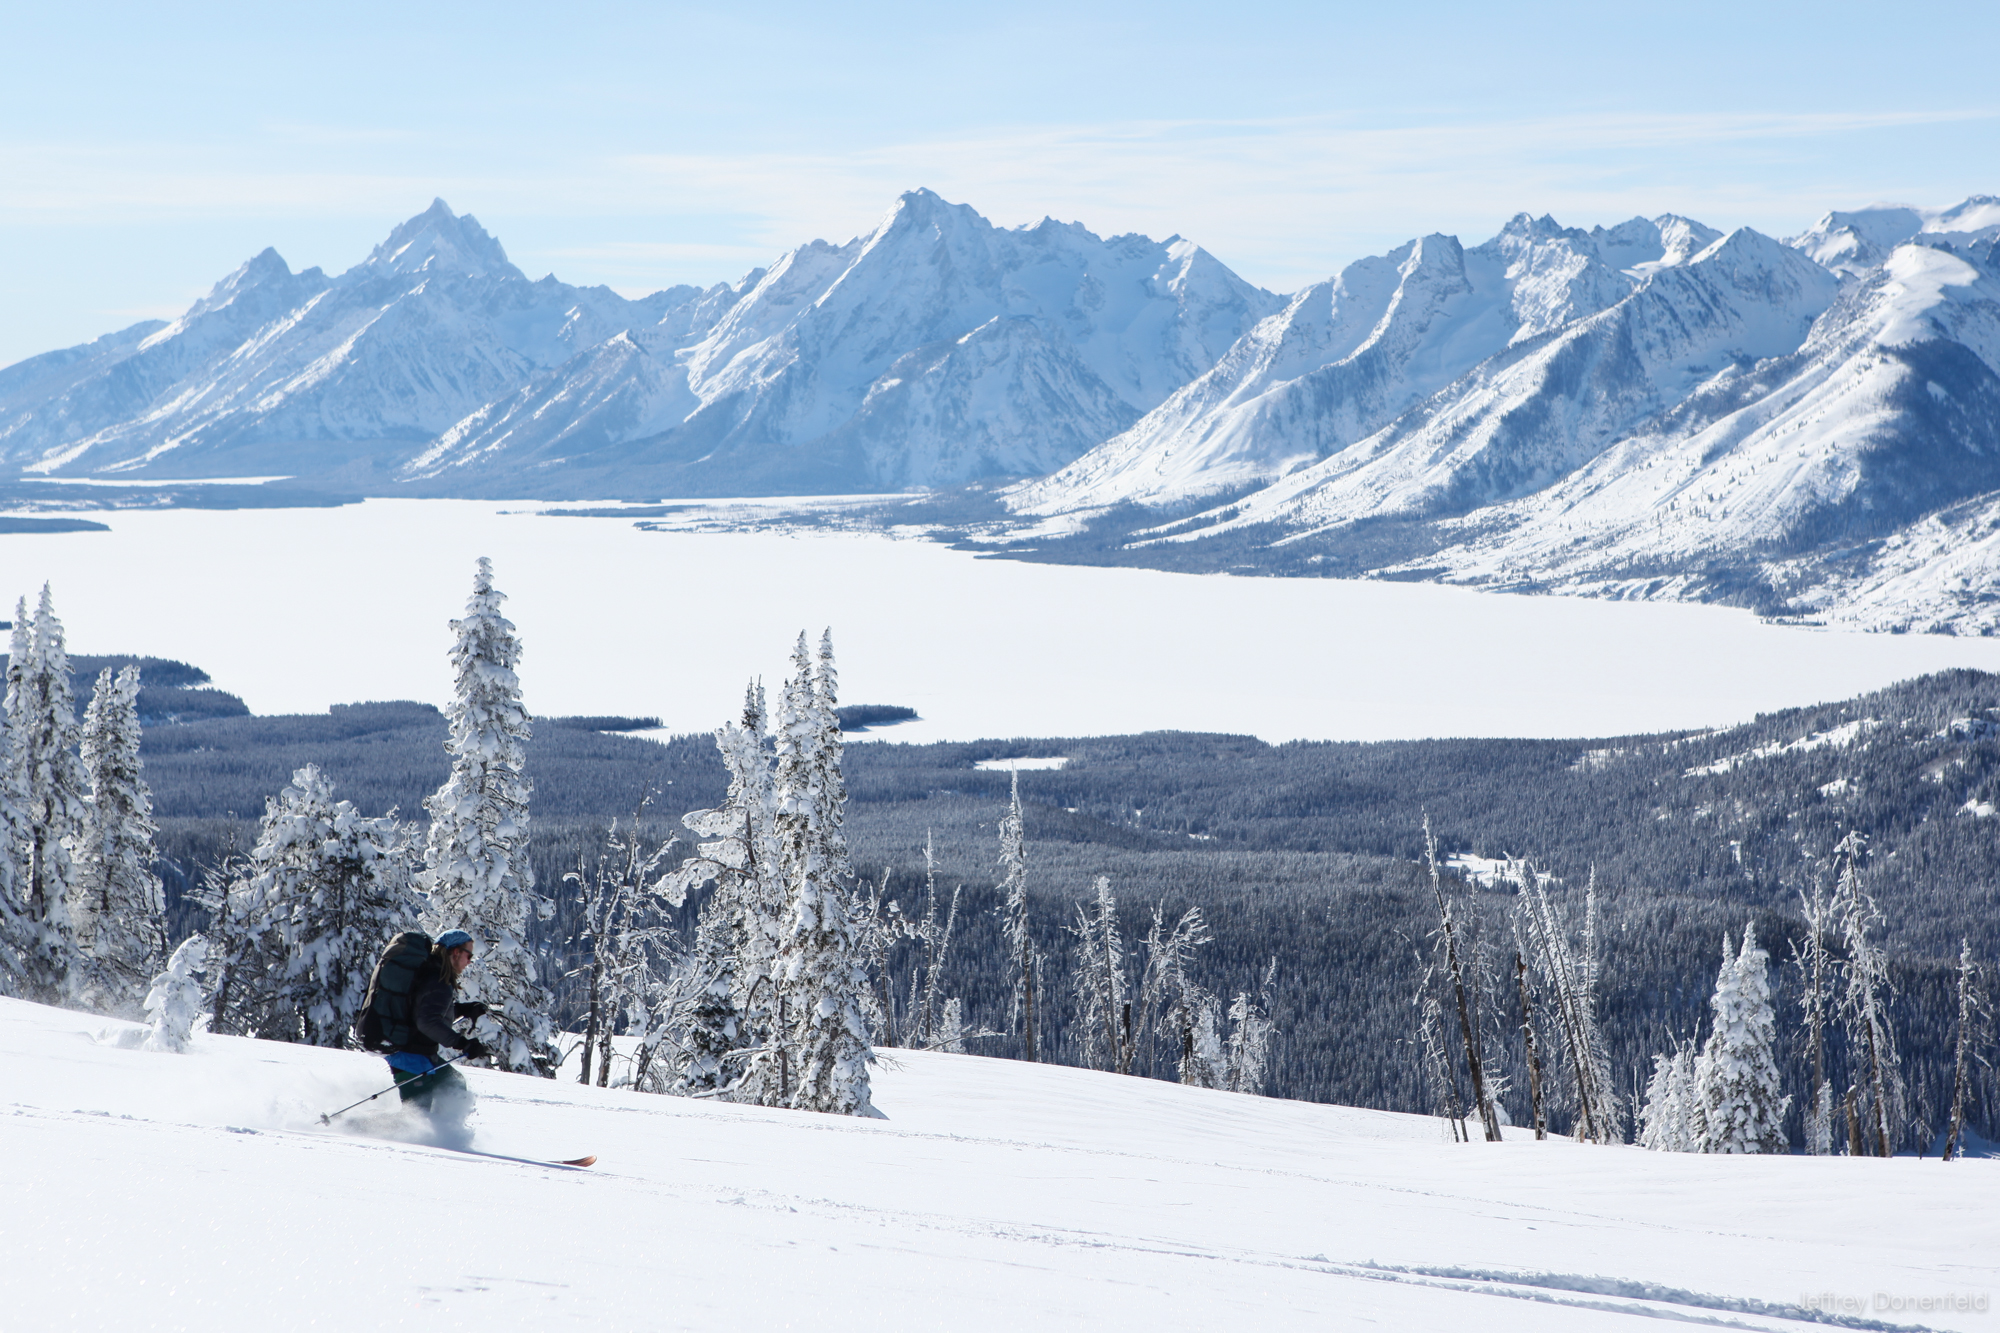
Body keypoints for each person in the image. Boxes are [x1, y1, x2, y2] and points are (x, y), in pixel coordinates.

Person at [387, 929, 491, 1131]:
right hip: (411, 1057)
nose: (470, 961)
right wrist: (463, 1044)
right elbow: (426, 1022)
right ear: (455, 953)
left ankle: (446, 1134)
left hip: (419, 1053)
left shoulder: (432, 974)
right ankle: (353, 1128)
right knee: (415, 1122)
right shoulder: (438, 981)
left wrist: (463, 1009)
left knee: (453, 1083)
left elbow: (425, 1009)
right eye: (468, 955)